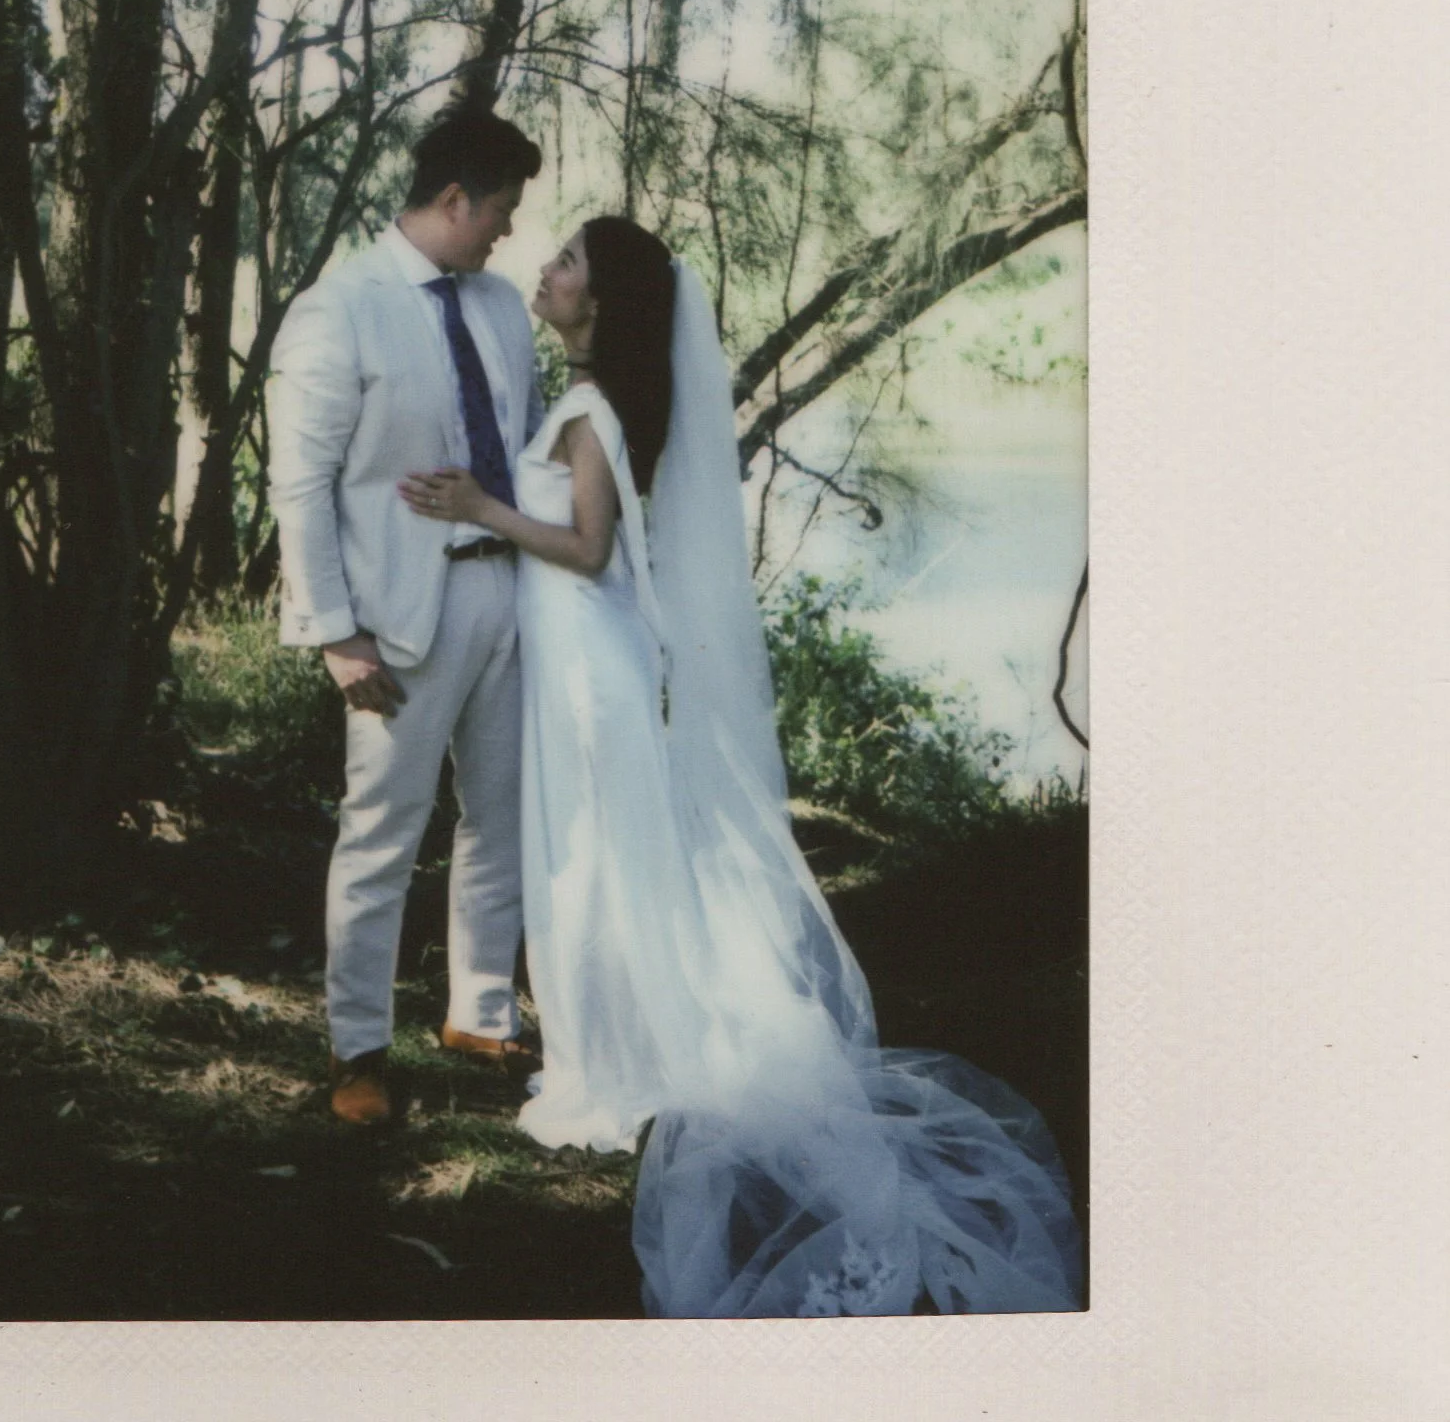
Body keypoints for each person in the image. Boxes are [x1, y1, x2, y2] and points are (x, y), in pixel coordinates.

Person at [401, 217, 1084, 1317]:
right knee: (588, 854)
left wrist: (479, 508)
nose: (548, 271)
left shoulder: (589, 411)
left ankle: (611, 1061)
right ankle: (600, 1041)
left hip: (588, 668)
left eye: (568, 262)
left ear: (604, 300)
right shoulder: (590, 401)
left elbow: (583, 548)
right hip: (586, 655)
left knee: (592, 859)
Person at [267, 106, 546, 1127]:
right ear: (452, 199)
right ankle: (358, 1051)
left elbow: (520, 449)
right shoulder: (339, 306)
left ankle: (478, 1011)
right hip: (392, 619)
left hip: (506, 594)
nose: (507, 232)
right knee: (381, 832)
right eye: (500, 211)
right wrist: (335, 632)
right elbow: (298, 485)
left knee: (500, 815)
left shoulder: (504, 306)